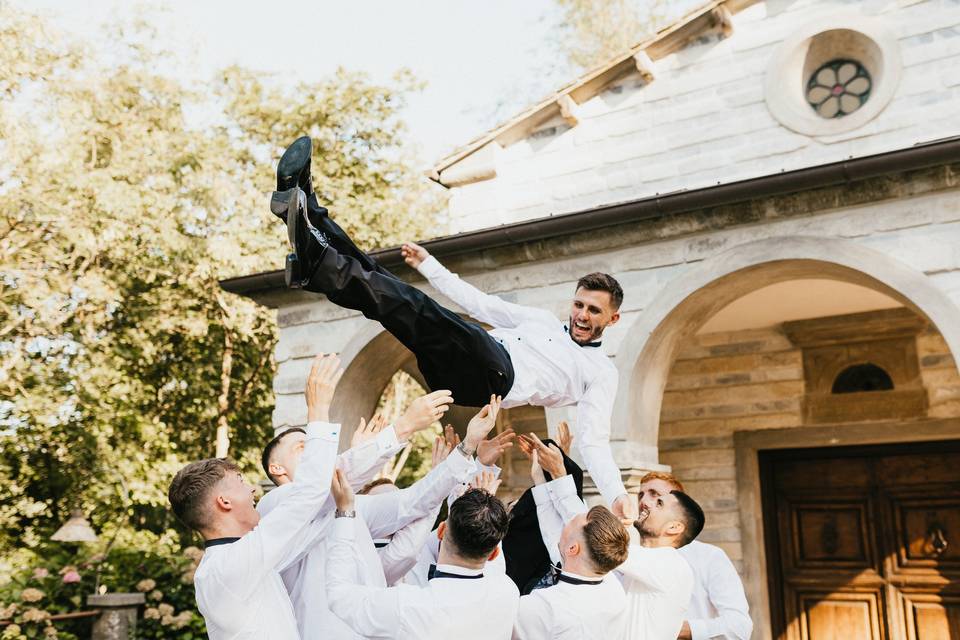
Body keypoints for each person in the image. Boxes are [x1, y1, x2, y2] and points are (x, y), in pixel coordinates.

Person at [270, 136, 634, 518]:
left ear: (612, 318)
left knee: (415, 306)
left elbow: (595, 441)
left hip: (494, 376)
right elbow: (478, 302)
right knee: (394, 301)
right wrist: (430, 265)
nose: (581, 315)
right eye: (579, 304)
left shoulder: (601, 372)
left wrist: (616, 492)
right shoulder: (542, 320)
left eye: (594, 311)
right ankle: (311, 214)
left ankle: (314, 263)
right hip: (465, 363)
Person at [257, 394, 491, 640]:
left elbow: (412, 502)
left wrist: (466, 447)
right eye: (304, 447)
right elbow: (318, 486)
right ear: (277, 468)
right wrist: (404, 426)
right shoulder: (273, 506)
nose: (319, 453)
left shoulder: (354, 506)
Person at [167, 353, 343, 640]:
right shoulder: (227, 567)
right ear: (223, 502)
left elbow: (313, 521)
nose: (252, 489)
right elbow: (308, 496)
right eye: (240, 482)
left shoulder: (241, 557)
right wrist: (318, 411)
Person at [326, 398, 520, 640]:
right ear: (493, 554)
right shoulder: (507, 591)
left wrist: (345, 513)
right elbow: (476, 523)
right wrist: (472, 461)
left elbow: (340, 597)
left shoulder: (409, 606)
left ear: (441, 531)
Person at [526, 434, 700, 640]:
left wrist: (560, 475)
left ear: (674, 527)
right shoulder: (630, 563)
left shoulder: (673, 567)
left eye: (659, 503)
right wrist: (541, 482)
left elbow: (588, 535)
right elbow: (566, 542)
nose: (646, 503)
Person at [512, 443, 630, 639]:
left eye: (571, 521)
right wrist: (541, 480)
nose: (565, 521)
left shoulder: (540, 605)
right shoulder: (611, 586)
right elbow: (553, 539)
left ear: (573, 548)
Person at [638, 473, 753, 640]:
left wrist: (675, 630)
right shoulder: (631, 558)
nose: (644, 502)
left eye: (656, 497)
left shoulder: (709, 557)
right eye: (641, 495)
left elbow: (739, 627)